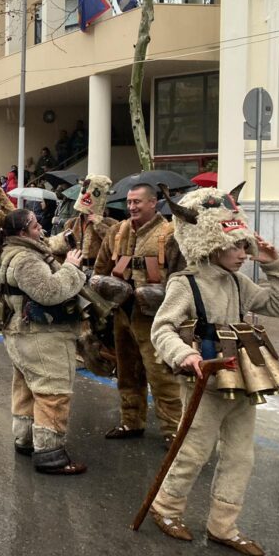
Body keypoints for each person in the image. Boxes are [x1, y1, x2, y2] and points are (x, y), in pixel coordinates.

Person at [149, 187, 279, 556]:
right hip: (205, 379)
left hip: (242, 379)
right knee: (194, 451)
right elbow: (162, 328)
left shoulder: (237, 281)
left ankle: (223, 525)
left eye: (244, 246)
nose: (243, 254)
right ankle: (165, 508)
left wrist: (273, 263)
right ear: (211, 243)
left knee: (240, 456)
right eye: (236, 247)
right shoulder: (186, 282)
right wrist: (184, 354)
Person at [0, 208, 87, 474]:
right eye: (35, 226)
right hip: (39, 335)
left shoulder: (11, 250)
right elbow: (49, 291)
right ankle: (50, 454)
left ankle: (26, 438)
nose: (41, 229)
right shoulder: (25, 258)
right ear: (23, 232)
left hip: (20, 334)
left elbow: (47, 245)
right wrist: (71, 267)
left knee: (26, 387)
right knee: (52, 392)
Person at [94, 184, 183, 443]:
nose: (132, 207)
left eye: (138, 202)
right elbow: (101, 268)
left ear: (154, 203)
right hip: (122, 315)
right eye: (129, 202)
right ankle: (131, 422)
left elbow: (183, 278)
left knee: (162, 377)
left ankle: (173, 432)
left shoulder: (170, 235)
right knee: (127, 373)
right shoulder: (116, 232)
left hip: (156, 320)